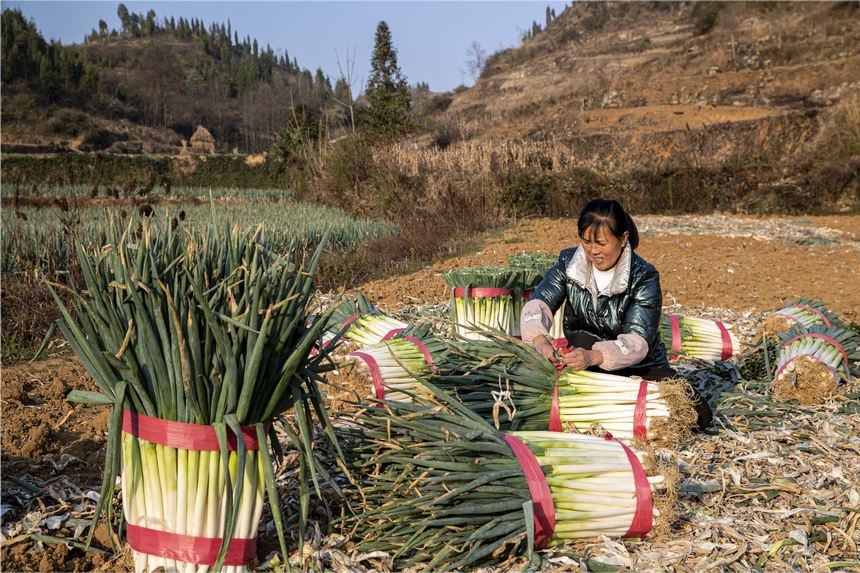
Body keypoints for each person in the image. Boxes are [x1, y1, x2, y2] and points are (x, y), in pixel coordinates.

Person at [520, 199, 712, 429]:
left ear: (623, 239)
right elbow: (539, 303)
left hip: (639, 364)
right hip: (585, 356)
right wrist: (539, 340)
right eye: (586, 241)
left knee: (694, 413)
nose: (593, 251)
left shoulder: (644, 276)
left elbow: (637, 341)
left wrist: (594, 356)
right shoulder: (568, 263)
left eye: (601, 243)